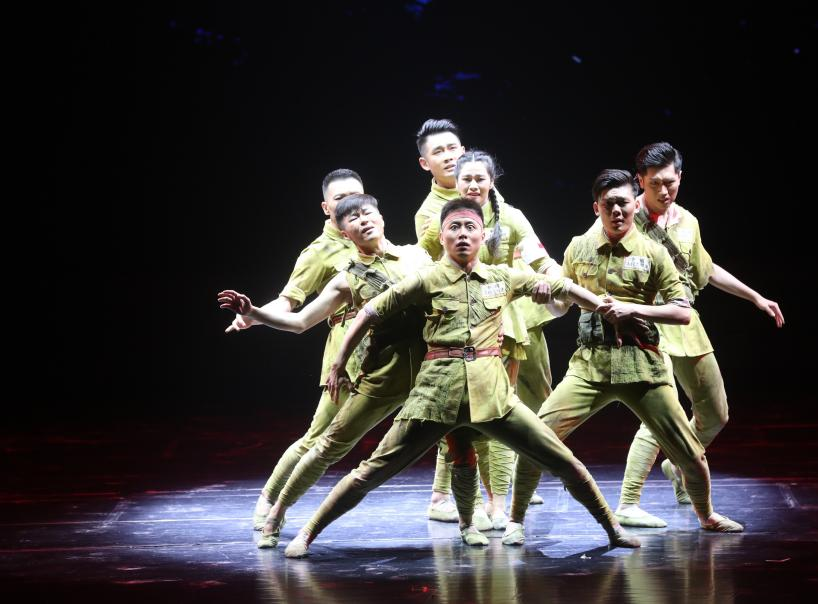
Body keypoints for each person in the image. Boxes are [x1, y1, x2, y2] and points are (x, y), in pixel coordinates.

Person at [282, 197, 642, 558]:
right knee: (371, 472)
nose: (463, 234)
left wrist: (606, 309)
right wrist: (338, 362)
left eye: (471, 227)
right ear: (442, 237)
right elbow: (370, 313)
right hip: (435, 397)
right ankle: (308, 532)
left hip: (493, 397)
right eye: (454, 227)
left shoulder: (500, 277)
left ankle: (613, 529)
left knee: (565, 462)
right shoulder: (426, 279)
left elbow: (561, 287)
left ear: (483, 236)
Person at [219, 194, 500, 553]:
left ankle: (467, 521)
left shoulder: (417, 257)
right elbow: (300, 321)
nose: (363, 220)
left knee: (460, 442)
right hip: (385, 373)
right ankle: (277, 513)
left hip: (432, 371)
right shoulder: (346, 278)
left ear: (381, 217)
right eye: (352, 218)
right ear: (343, 232)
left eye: (367, 213)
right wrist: (255, 313)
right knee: (328, 445)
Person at [506, 169, 744, 547]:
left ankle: (706, 515)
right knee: (537, 438)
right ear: (596, 208)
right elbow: (561, 305)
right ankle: (515, 521)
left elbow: (682, 311)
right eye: (609, 204)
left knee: (689, 453)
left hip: (642, 366)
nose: (617, 211)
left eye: (623, 203)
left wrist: (634, 309)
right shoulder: (579, 247)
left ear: (635, 204)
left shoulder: (653, 253)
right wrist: (545, 297)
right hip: (591, 366)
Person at [614, 143, 784, 528]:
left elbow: (706, 269)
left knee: (715, 412)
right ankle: (628, 502)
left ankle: (679, 464)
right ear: (639, 180)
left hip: (684, 321)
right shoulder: (624, 216)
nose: (663, 191)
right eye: (654, 184)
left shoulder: (687, 221)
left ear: (679, 177)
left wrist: (755, 296)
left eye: (670, 182)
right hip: (644, 324)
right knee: (659, 416)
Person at [414, 120, 551, 526]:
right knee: (461, 412)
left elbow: (539, 257)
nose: (472, 182)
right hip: (460, 325)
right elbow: (426, 265)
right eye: (439, 152)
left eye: (453, 148)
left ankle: (502, 493)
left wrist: (560, 285)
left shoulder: (505, 211)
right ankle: (456, 496)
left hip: (510, 320)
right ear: (426, 163)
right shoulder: (435, 215)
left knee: (509, 408)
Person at [225, 169, 366, 530]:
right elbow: (289, 303)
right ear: (326, 208)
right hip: (348, 351)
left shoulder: (371, 235)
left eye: (356, 195)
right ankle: (270, 499)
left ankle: (448, 498)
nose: (350, 203)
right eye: (340, 198)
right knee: (320, 438)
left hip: (387, 344)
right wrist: (254, 316)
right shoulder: (319, 252)